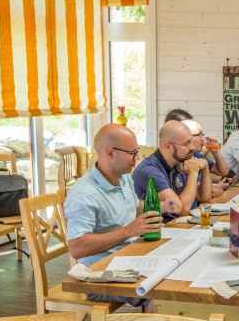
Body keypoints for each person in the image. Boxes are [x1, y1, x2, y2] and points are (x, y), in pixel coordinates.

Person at [64, 123, 164, 306]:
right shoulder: (83, 194)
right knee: (161, 293)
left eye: (137, 151)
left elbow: (133, 207)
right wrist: (128, 231)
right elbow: (76, 247)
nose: (137, 158)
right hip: (99, 275)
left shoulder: (123, 176)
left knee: (176, 269)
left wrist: (163, 209)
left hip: (129, 259)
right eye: (132, 153)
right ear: (110, 153)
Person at [132, 120, 212, 220]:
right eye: (186, 143)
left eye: (191, 141)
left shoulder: (180, 162)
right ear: (168, 147)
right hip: (154, 232)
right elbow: (181, 210)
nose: (192, 147)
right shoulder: (150, 170)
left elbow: (205, 198)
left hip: (174, 228)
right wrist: (193, 173)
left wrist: (205, 168)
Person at [181, 119, 233, 197]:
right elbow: (209, 192)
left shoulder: (196, 155)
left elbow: (223, 172)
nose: (203, 139)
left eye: (202, 135)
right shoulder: (180, 160)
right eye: (199, 135)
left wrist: (215, 152)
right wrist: (216, 187)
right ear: (187, 137)